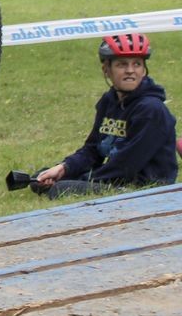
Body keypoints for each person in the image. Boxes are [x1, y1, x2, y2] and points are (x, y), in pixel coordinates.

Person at [33, 34, 178, 198]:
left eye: (137, 64)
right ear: (106, 70)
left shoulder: (151, 110)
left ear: (144, 70)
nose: (130, 70)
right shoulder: (109, 101)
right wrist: (64, 168)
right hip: (116, 177)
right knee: (41, 177)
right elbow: (93, 149)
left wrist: (83, 180)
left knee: (60, 189)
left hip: (141, 187)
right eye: (122, 65)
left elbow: (126, 166)